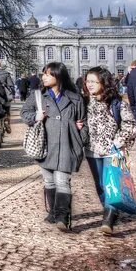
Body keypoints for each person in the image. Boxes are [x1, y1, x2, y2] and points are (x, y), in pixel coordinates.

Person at [21, 62, 87, 231]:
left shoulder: (75, 98)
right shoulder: (38, 96)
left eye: (48, 74)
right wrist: (36, 116)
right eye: (43, 74)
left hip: (67, 144)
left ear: (59, 76)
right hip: (45, 145)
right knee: (49, 181)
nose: (43, 77)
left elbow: (84, 122)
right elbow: (24, 113)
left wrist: (79, 139)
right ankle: (53, 212)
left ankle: (63, 218)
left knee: (62, 181)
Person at [81, 67, 136, 235]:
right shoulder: (84, 102)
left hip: (114, 150)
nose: (90, 85)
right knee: (100, 185)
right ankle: (110, 210)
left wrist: (118, 142)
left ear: (103, 83)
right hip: (92, 150)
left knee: (112, 184)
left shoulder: (117, 103)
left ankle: (109, 216)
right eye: (88, 81)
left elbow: (132, 126)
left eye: (94, 81)